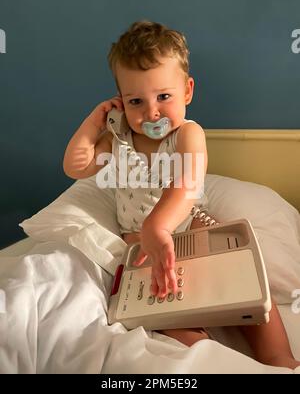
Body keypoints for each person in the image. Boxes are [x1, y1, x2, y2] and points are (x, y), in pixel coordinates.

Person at [63, 20, 300, 370]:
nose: (151, 112)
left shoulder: (188, 134)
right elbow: (76, 166)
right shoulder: (119, 139)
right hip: (140, 246)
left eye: (163, 97)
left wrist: (158, 226)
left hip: (190, 229)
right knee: (166, 310)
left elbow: (186, 186)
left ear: (187, 91)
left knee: (245, 282)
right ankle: (216, 358)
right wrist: (94, 122)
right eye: (135, 101)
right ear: (121, 103)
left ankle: (279, 357)